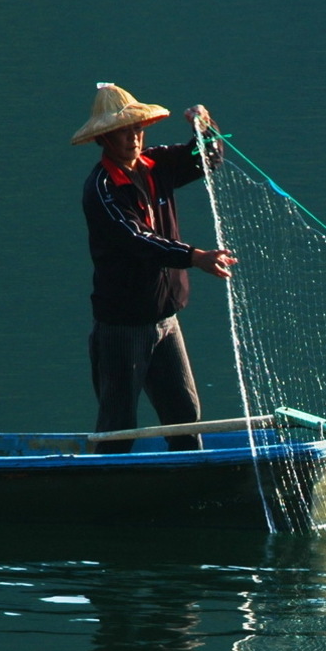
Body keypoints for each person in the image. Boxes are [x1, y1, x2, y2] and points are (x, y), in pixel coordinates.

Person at [72, 83, 236, 453]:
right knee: (118, 424)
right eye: (124, 132)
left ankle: (189, 480)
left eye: (137, 129)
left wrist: (204, 127)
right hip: (122, 325)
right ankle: (111, 489)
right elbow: (137, 239)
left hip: (165, 317)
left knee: (185, 412)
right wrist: (195, 256)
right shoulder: (101, 188)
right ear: (105, 139)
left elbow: (207, 157)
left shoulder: (156, 164)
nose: (134, 138)